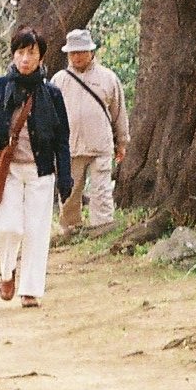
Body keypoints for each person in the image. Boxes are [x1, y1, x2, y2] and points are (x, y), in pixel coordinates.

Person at [0, 27, 72, 306]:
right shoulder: (0, 87)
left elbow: (62, 138)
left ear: (41, 57)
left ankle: (30, 289)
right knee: (7, 227)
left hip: (40, 171)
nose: (25, 59)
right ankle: (7, 271)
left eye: (31, 53)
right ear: (13, 54)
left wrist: (65, 176)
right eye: (20, 52)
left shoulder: (51, 94)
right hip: (8, 171)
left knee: (36, 232)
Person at [51, 27, 130, 236]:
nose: (77, 56)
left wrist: (122, 142)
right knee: (69, 191)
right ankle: (70, 229)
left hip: (100, 145)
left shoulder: (108, 78)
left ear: (91, 51)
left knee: (102, 191)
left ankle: (102, 228)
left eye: (81, 52)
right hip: (70, 147)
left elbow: (118, 112)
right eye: (73, 53)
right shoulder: (58, 81)